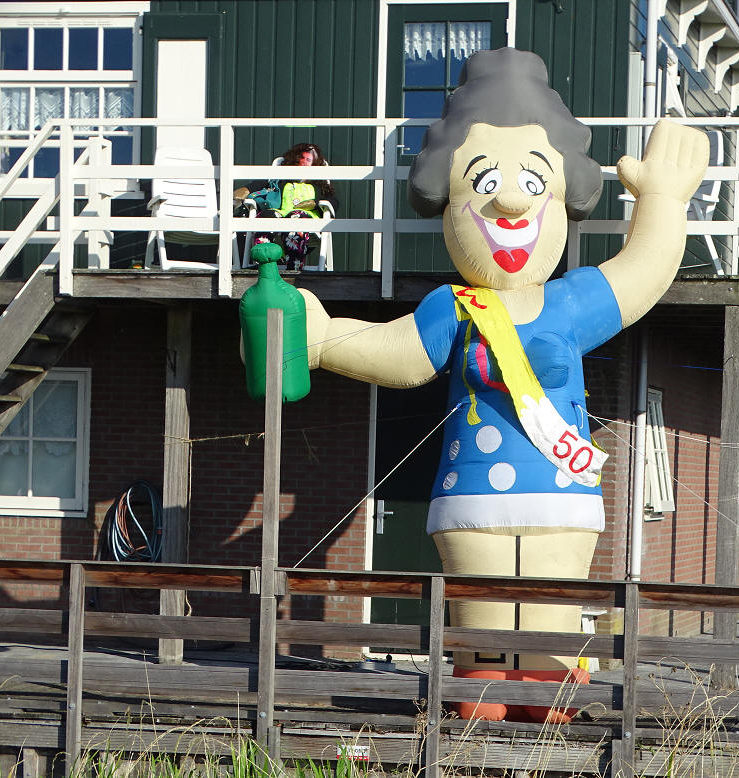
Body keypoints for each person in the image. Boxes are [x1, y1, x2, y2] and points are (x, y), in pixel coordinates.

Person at [296, 48, 708, 722]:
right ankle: (481, 734)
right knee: (483, 658)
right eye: (482, 179)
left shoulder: (570, 303)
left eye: (531, 180)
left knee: (548, 651)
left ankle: (547, 732)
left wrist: (661, 199)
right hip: (471, 503)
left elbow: (644, 267)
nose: (510, 197)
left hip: (559, 499)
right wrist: (319, 340)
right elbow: (393, 352)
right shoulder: (450, 309)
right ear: (452, 198)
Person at [253, 142, 339, 270]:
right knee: (267, 215)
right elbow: (260, 184)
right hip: (282, 214)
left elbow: (333, 201)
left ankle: (293, 267)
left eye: (309, 159)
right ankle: (265, 264)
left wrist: (315, 203)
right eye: (302, 158)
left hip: (307, 217)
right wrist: (246, 189)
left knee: (296, 218)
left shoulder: (318, 185)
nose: (304, 162)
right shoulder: (282, 181)